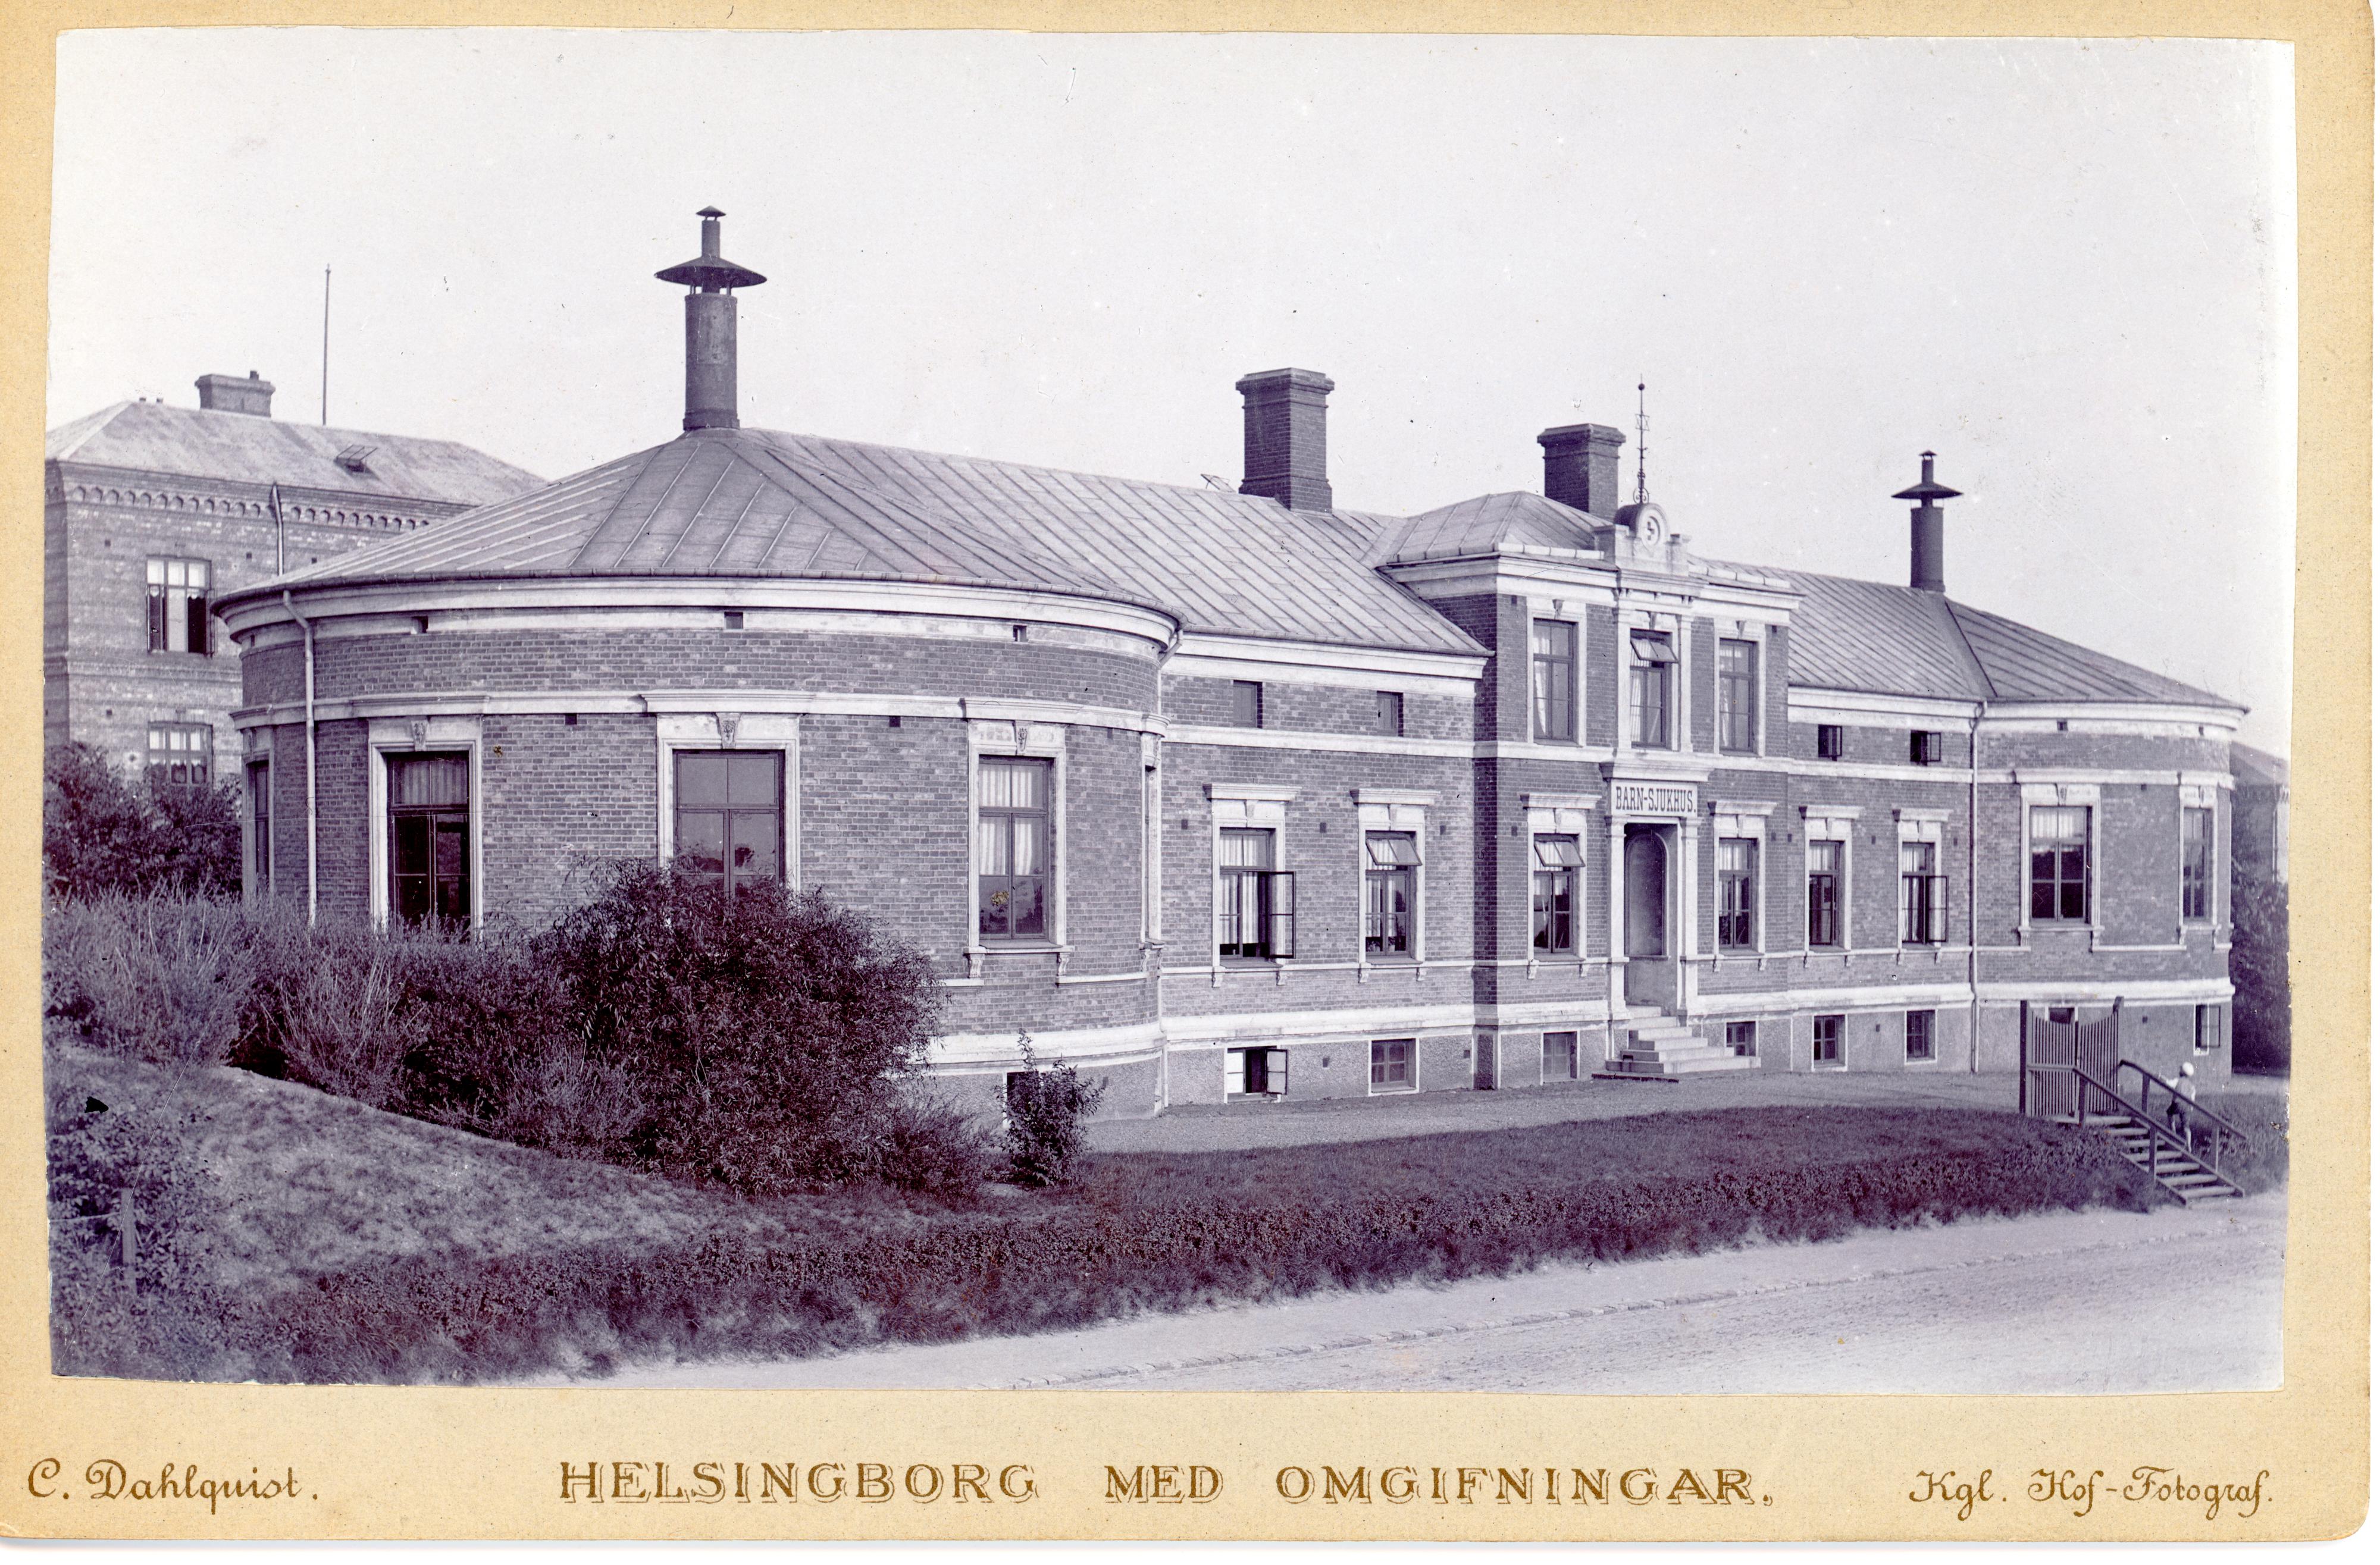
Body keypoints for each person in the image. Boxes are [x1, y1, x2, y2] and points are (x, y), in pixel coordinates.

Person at [2166, 1060, 2197, 1151]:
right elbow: (2192, 1098)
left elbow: (2169, 1084)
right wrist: (2191, 1108)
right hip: (2187, 1106)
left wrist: (2162, 1078)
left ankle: (2173, 1132)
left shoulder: (2178, 1081)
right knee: (2186, 1126)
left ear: (2182, 1072)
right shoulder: (2191, 1085)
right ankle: (2189, 1146)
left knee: (2169, 1112)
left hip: (2178, 1104)